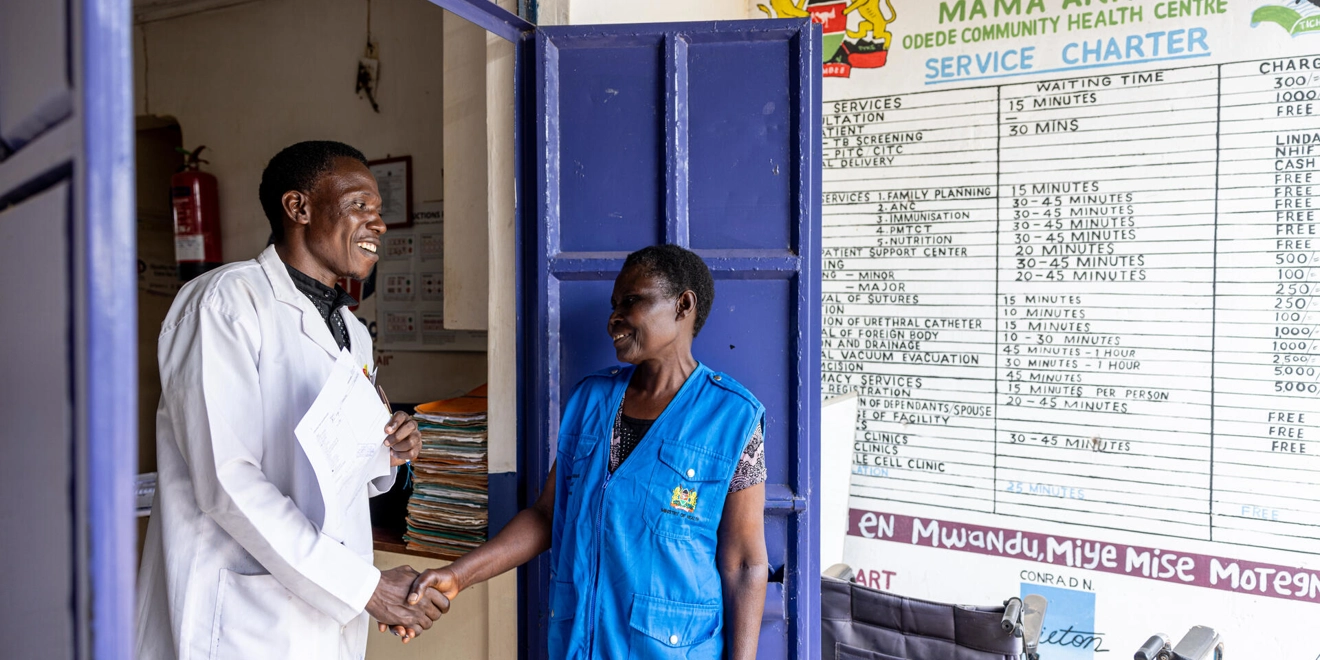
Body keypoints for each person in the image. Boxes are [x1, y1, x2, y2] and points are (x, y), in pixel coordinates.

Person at [135, 141, 448, 660]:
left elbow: (325, 473)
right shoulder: (226, 302)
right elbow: (227, 479)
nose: (379, 223)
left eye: (379, 210)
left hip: (324, 613)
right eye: (359, 206)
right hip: (240, 617)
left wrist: (386, 449)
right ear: (298, 208)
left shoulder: (351, 330)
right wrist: (364, 587)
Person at [400, 244, 770, 658]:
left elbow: (744, 563)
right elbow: (546, 515)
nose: (614, 317)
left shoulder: (732, 417)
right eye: (614, 304)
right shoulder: (591, 399)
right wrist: (457, 575)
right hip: (579, 643)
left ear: (683, 305)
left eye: (632, 301)